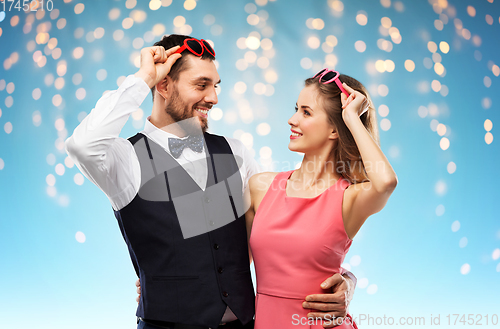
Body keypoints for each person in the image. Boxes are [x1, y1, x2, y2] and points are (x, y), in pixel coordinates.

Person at [66, 34, 356, 329]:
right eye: (201, 85)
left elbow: (289, 236)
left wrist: (345, 280)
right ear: (164, 85)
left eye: (215, 86)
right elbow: (82, 145)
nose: (213, 98)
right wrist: (144, 77)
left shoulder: (237, 152)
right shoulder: (125, 160)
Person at [246, 69, 398, 328]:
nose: (291, 120)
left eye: (306, 112)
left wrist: (351, 118)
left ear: (334, 130)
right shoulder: (260, 187)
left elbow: (386, 182)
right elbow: (231, 268)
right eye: (296, 108)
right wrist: (348, 280)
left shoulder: (349, 199)